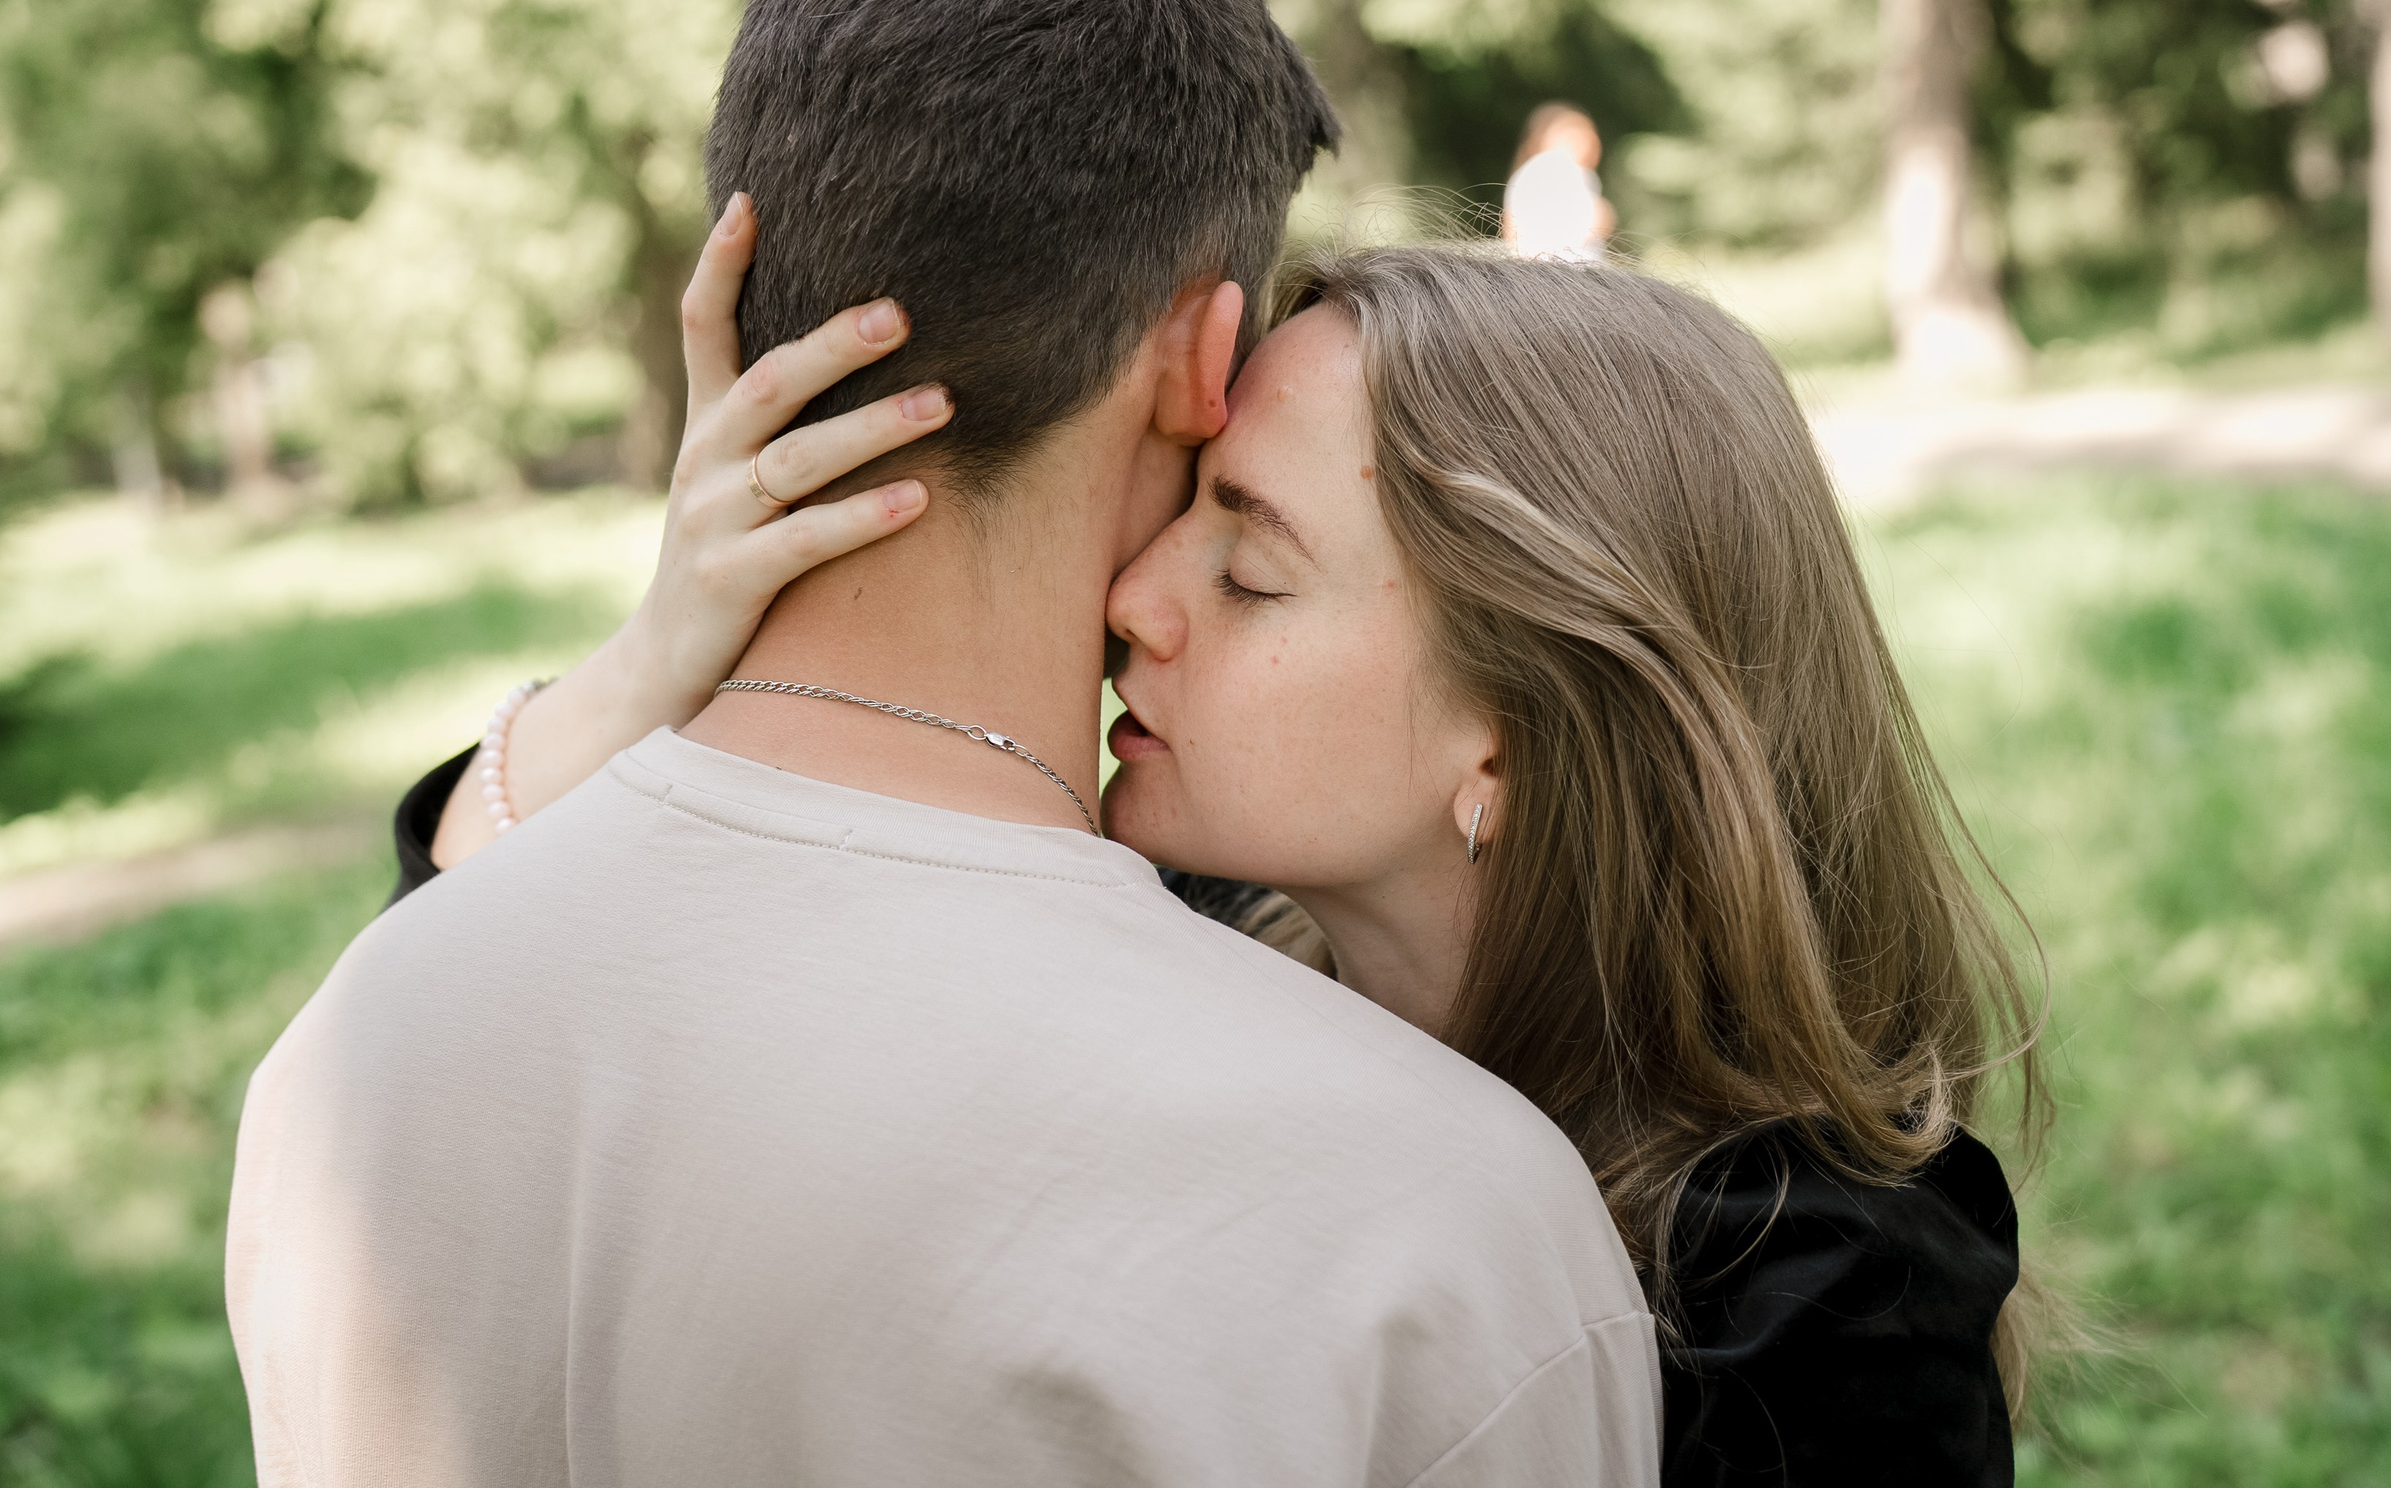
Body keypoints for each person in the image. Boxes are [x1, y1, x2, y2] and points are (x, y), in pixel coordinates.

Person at [227, 0, 1662, 1488]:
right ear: (1205, 357)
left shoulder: (349, 1062)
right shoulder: (1432, 1232)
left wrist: (645, 666)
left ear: (753, 289)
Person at [395, 228, 2048, 1484]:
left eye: (1249, 570)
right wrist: (653, 655)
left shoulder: (1820, 1297)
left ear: (1519, 736)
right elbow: (487, 940)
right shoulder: (1182, 944)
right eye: (1184, 504)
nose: (1133, 601)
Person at [1500, 102, 1614, 262]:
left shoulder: (1577, 174)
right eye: (1572, 134)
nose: (1585, 140)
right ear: (1540, 138)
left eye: (1589, 132)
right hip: (1560, 269)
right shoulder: (1550, 167)